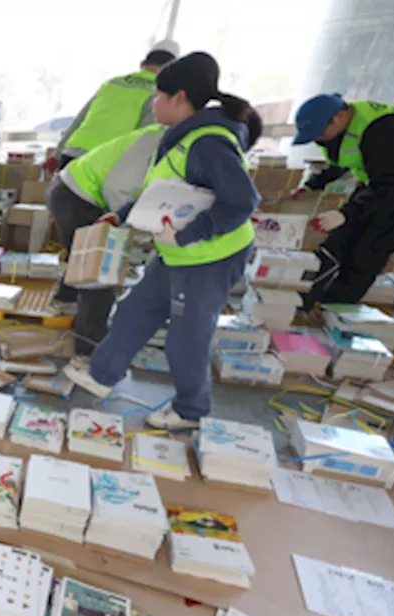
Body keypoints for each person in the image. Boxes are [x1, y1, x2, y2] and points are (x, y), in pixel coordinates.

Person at [62, 52, 262, 430]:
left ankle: (191, 410)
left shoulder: (209, 143)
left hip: (210, 256)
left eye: (158, 96)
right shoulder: (181, 137)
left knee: (187, 338)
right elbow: (162, 190)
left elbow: (242, 202)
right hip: (177, 251)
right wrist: (121, 216)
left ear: (180, 97)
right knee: (134, 311)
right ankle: (102, 375)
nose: (153, 104)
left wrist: (187, 234)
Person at [291, 94, 394, 309]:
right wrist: (313, 184)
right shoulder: (348, 126)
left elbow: (386, 186)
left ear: (337, 118)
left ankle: (334, 309)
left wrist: (345, 213)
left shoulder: (383, 131)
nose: (317, 140)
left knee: (371, 248)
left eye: (318, 134)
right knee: (339, 240)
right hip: (382, 178)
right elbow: (347, 157)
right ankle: (301, 300)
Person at [47, 123, 167, 356]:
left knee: (83, 259)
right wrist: (120, 225)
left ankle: (65, 301)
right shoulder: (159, 140)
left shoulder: (164, 136)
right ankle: (88, 355)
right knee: (100, 277)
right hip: (78, 195)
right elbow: (118, 188)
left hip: (72, 190)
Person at [49, 41, 179, 171]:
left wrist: (57, 154)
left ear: (142, 64)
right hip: (103, 161)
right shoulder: (158, 93)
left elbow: (79, 120)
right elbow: (144, 138)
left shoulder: (112, 83)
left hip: (71, 154)